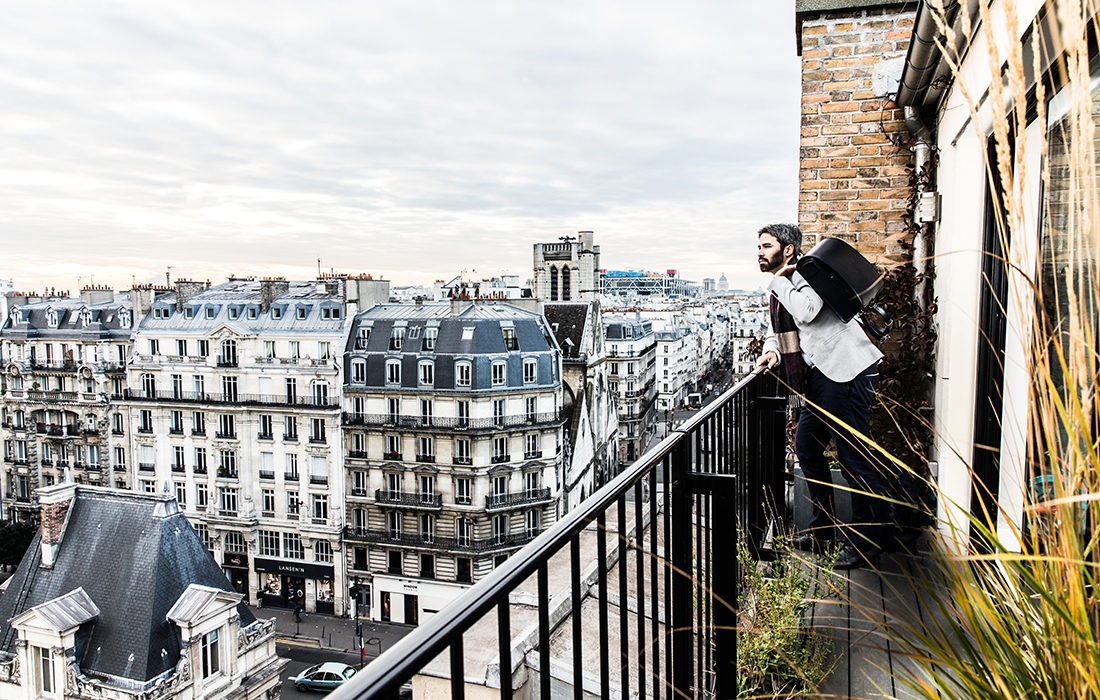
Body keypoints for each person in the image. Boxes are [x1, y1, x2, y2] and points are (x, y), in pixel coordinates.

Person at [754, 223, 891, 569]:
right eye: (758, 246)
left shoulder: (806, 273)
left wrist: (777, 282)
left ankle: (867, 542)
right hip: (823, 378)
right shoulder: (785, 285)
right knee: (807, 447)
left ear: (787, 250)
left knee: (854, 458)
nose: (759, 252)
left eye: (766, 246)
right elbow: (781, 330)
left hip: (846, 373)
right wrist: (772, 351)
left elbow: (809, 311)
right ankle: (822, 530)